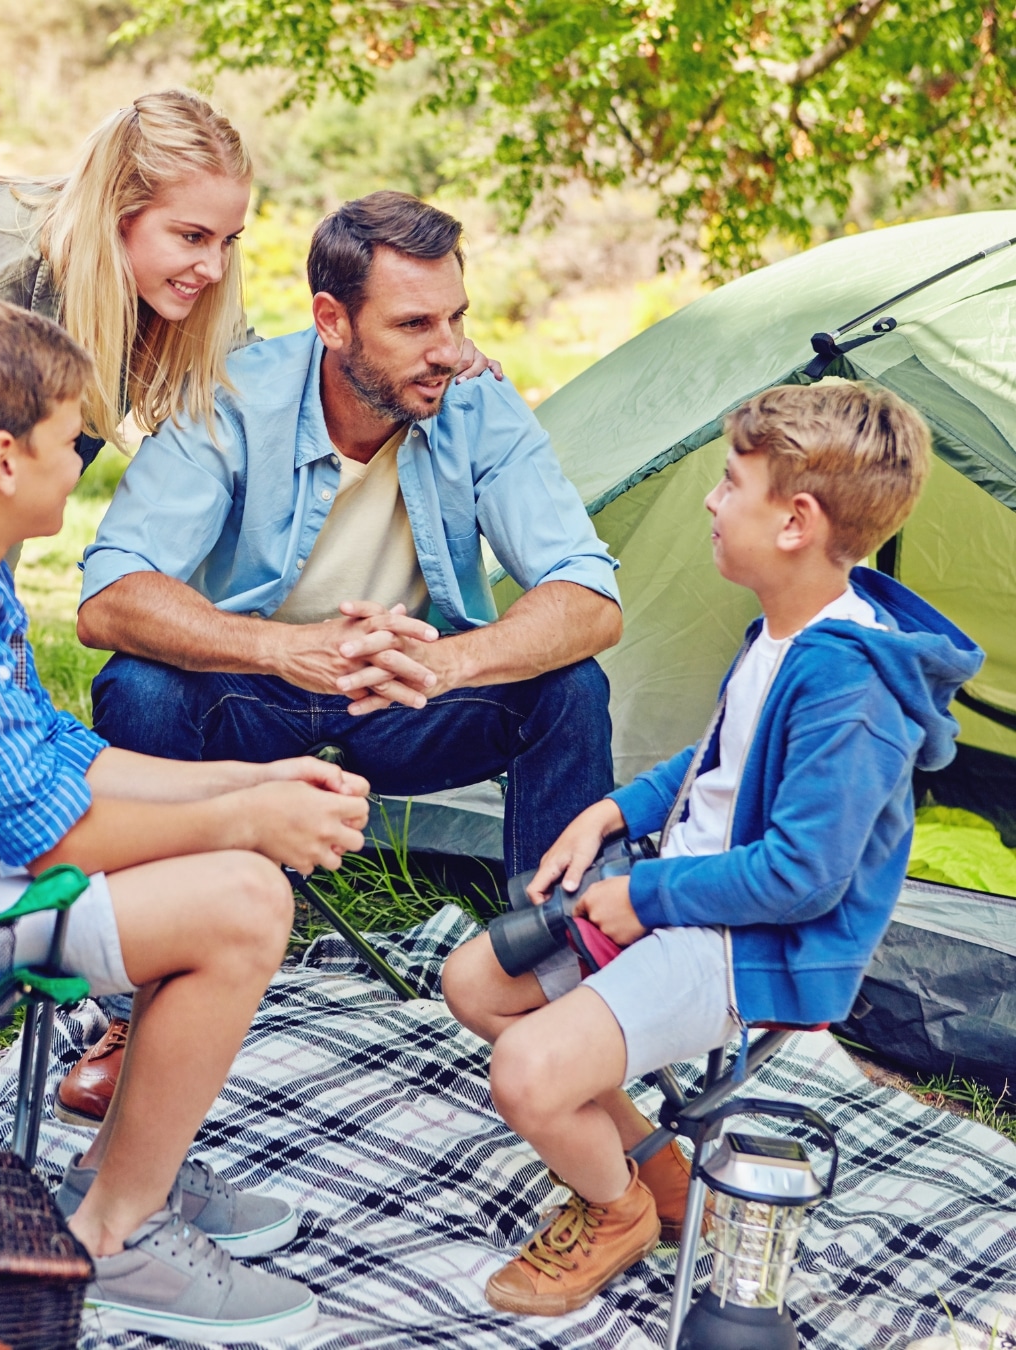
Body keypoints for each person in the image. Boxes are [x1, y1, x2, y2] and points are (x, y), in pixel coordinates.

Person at [67, 188, 628, 1128]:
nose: (447, 348)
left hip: (407, 697)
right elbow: (110, 595)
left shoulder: (476, 403)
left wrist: (451, 665)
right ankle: (138, 1010)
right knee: (143, 685)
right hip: (254, 699)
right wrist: (288, 650)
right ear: (333, 320)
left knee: (569, 686)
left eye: (455, 318)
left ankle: (564, 1008)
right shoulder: (234, 396)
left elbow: (590, 596)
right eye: (413, 324)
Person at [441, 381, 984, 1316]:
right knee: (474, 983)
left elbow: (803, 876)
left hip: (749, 945)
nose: (710, 498)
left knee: (526, 1072)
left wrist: (646, 896)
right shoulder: (785, 634)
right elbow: (716, 760)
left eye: (733, 482)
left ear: (796, 522)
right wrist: (611, 815)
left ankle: (614, 1211)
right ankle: (656, 1166)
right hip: (688, 897)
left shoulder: (848, 687)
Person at [0, 290, 372, 1339]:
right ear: (4, 458)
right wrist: (246, 828)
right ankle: (116, 1232)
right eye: (67, 440)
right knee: (239, 901)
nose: (81, 459)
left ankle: (128, 1172)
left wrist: (248, 784)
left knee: (238, 866)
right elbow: (49, 833)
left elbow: (58, 752)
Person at [0, 89, 497, 475]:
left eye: (228, 240)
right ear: (117, 214)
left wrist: (426, 351)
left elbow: (262, 382)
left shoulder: (174, 291)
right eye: (191, 236)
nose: (214, 269)